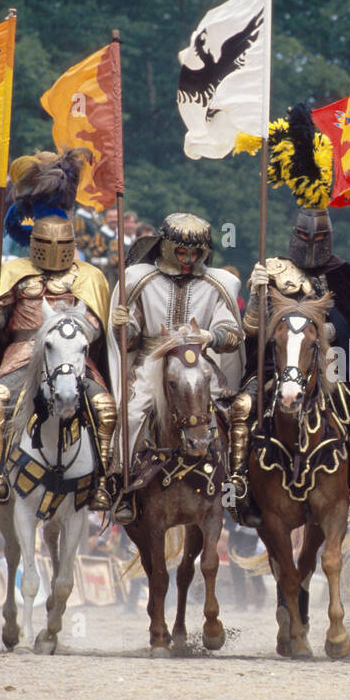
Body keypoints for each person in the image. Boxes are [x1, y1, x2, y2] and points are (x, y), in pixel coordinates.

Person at [227, 105, 350, 527]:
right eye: (304, 235)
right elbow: (250, 333)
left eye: (320, 236)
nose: (312, 243)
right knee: (241, 407)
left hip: (335, 373)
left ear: (331, 237)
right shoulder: (272, 271)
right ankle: (238, 483)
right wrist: (257, 298)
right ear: (293, 235)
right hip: (276, 370)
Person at [0, 148, 116, 510]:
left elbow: (98, 327)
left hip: (72, 355)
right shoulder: (12, 271)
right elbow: (0, 331)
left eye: (62, 244)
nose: (54, 251)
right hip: (21, 354)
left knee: (105, 408)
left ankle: (104, 481)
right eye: (47, 244)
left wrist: (85, 330)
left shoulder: (89, 276)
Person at [107, 213, 244, 523]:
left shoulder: (217, 283)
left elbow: (233, 334)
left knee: (236, 413)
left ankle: (237, 486)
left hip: (199, 364)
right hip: (151, 365)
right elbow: (128, 341)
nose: (188, 259)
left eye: (196, 253)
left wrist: (213, 335)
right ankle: (123, 486)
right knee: (131, 414)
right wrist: (123, 327)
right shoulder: (137, 280)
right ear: (166, 247)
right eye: (181, 252)